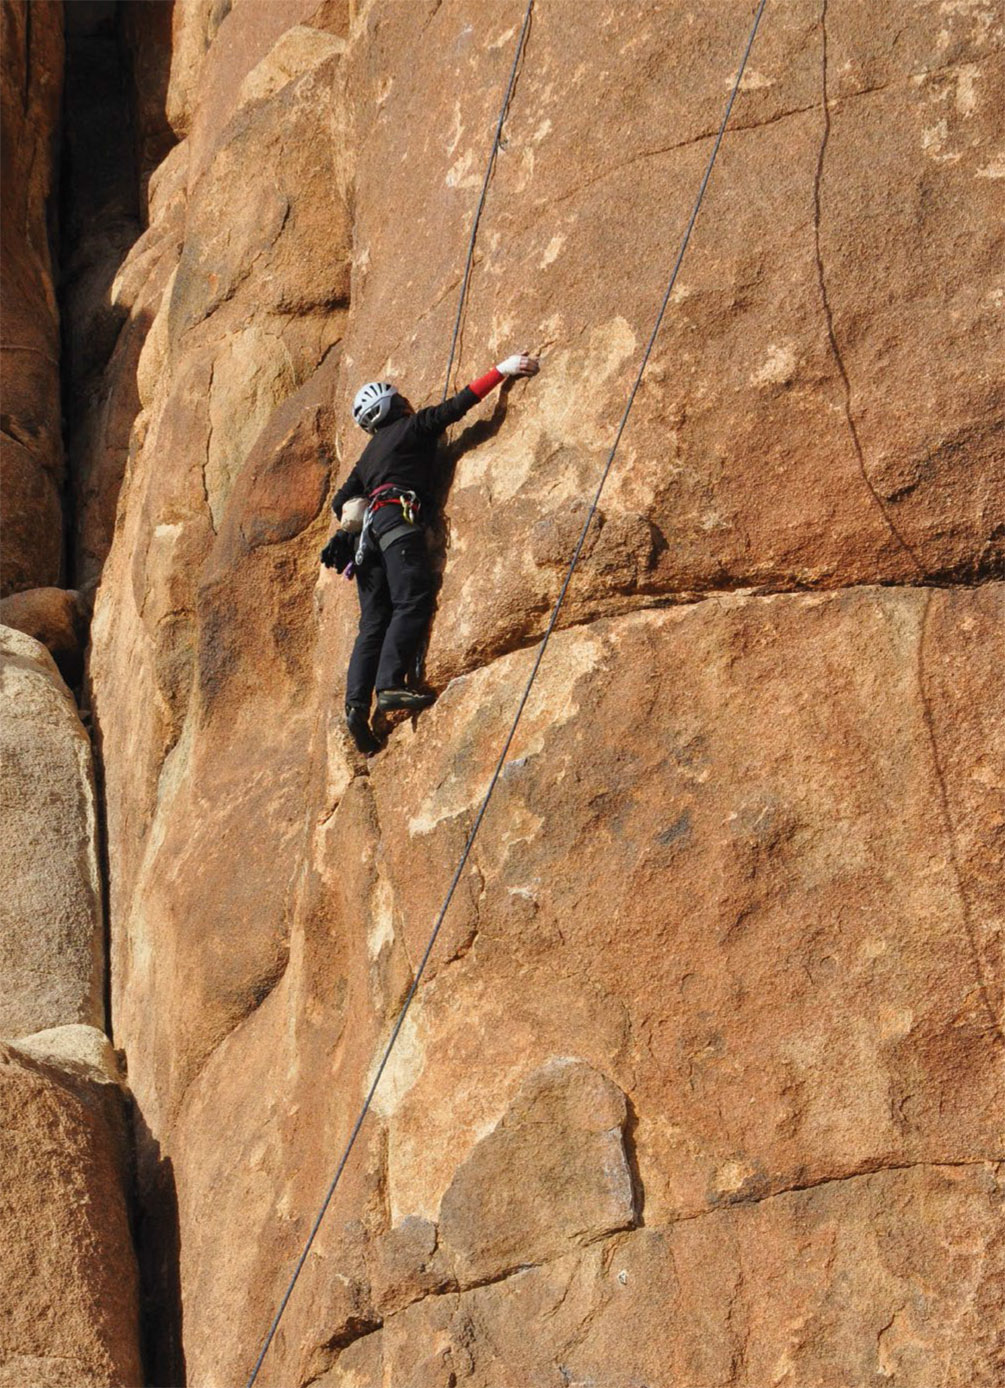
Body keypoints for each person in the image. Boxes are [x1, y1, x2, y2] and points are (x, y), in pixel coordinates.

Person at [327, 352, 540, 754]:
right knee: (412, 600)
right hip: (395, 525)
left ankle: (356, 704)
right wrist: (503, 370)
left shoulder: (368, 456)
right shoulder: (411, 428)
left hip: (364, 545)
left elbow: (341, 501)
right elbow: (457, 406)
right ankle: (389, 685)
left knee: (372, 622)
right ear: (393, 405)